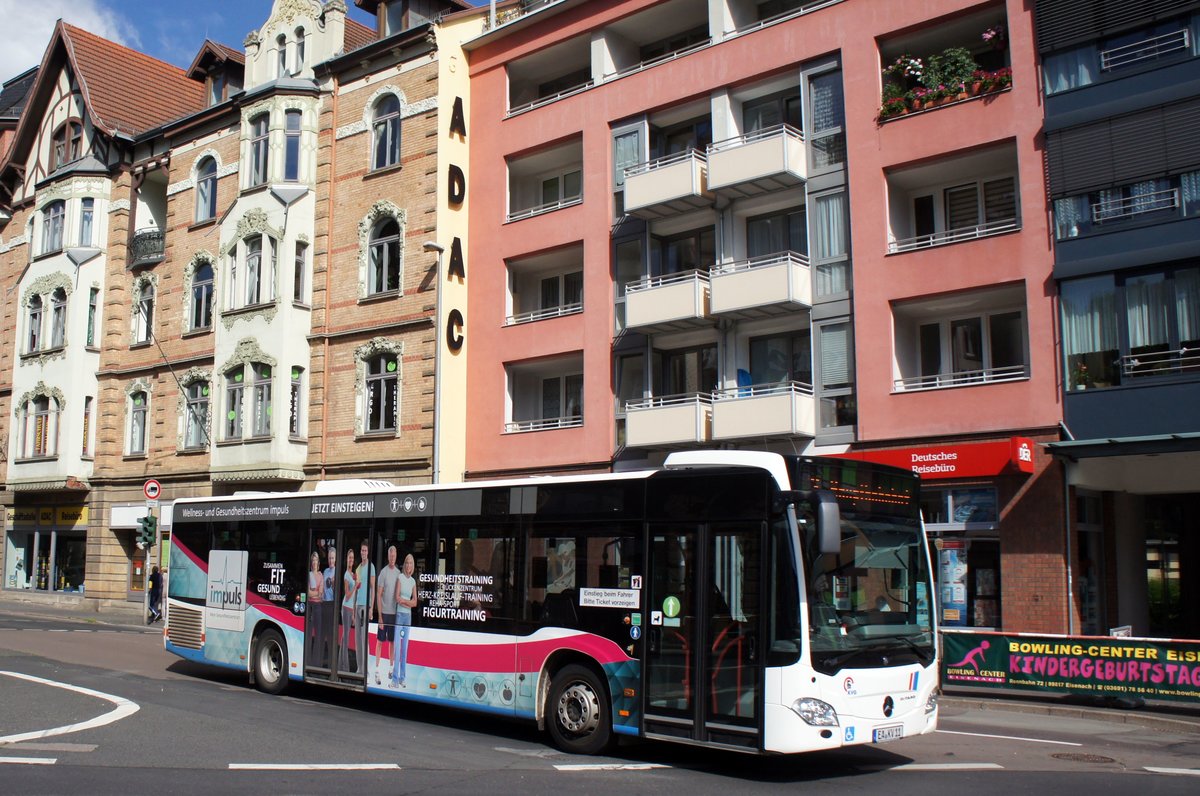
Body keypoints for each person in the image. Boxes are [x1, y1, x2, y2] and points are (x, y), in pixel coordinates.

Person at [374, 545, 401, 686]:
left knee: (392, 642)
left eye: (394, 556)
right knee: (380, 642)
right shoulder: (383, 573)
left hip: (394, 614)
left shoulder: (398, 574)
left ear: (396, 557)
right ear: (388, 556)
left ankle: (391, 669)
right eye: (390, 556)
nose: (392, 558)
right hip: (384, 613)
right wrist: (379, 616)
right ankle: (377, 670)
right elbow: (378, 595)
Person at [391, 553, 418, 688]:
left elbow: (415, 602)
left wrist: (405, 601)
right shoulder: (400, 578)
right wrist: (408, 602)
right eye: (407, 563)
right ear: (405, 565)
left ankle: (402, 678)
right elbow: (397, 598)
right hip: (399, 615)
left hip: (408, 617)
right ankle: (395, 680)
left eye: (410, 563)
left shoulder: (413, 581)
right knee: (397, 648)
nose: (408, 565)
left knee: (404, 649)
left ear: (413, 566)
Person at [356, 539, 376, 677]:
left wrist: (371, 608)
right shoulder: (358, 568)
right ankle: (359, 668)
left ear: (368, 552)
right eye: (362, 550)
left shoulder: (371, 567)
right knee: (358, 640)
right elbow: (356, 590)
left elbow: (373, 588)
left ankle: (366, 670)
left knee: (364, 639)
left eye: (365, 550)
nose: (363, 553)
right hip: (357, 605)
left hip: (365, 606)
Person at [338, 548, 357, 673]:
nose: (351, 560)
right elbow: (348, 595)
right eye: (349, 557)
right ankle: (344, 667)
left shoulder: (353, 574)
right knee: (345, 638)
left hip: (351, 609)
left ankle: (340, 665)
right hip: (345, 608)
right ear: (347, 559)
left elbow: (354, 598)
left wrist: (354, 614)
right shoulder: (346, 575)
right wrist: (355, 586)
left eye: (352, 558)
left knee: (345, 637)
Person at [306, 551, 324, 666]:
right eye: (312, 560)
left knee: (318, 636)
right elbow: (308, 593)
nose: (314, 562)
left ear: (318, 562)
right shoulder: (309, 575)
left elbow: (321, 594)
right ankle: (307, 661)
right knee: (308, 636)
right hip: (310, 606)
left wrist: (314, 592)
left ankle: (315, 663)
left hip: (318, 607)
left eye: (316, 560)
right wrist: (315, 592)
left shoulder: (321, 576)